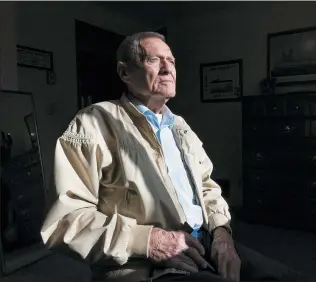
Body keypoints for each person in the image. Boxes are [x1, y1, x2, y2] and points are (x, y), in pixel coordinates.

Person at [41, 32, 299, 282]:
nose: (168, 68)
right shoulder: (93, 123)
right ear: (124, 72)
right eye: (154, 60)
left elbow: (207, 186)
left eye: (171, 61)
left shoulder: (179, 126)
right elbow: (65, 221)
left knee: (289, 278)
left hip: (204, 242)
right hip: (143, 264)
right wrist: (150, 242)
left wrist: (222, 235)